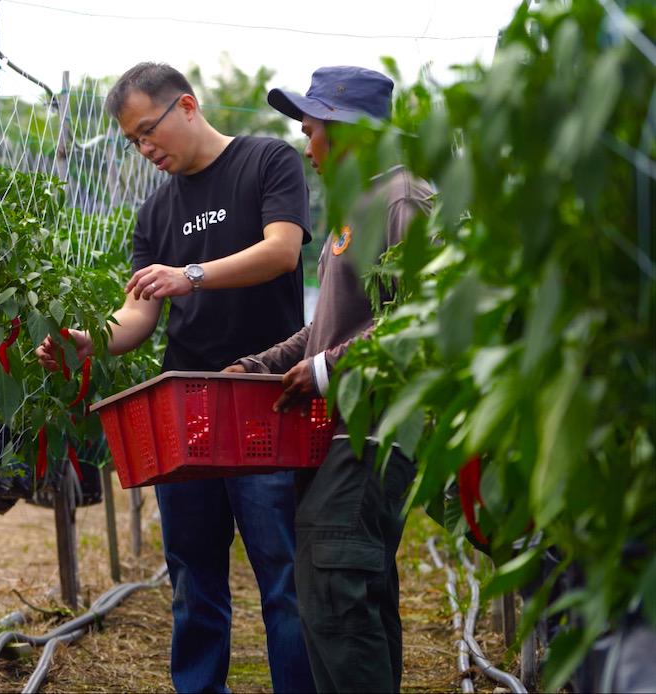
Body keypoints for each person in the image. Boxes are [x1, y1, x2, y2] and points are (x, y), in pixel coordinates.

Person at [37, 62, 315, 693]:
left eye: (148, 130)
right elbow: (136, 316)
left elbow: (281, 251)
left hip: (265, 400)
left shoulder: (267, 161)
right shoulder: (155, 213)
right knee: (193, 581)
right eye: (133, 141)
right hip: (187, 411)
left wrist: (190, 274)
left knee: (283, 579)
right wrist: (86, 345)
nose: (144, 148)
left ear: (186, 106)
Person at [224, 66, 435, 692]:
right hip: (344, 430)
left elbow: (426, 315)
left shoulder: (402, 200)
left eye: (311, 130)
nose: (305, 146)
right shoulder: (357, 208)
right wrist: (262, 365)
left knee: (333, 582)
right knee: (353, 590)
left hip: (374, 428)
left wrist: (325, 370)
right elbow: (328, 329)